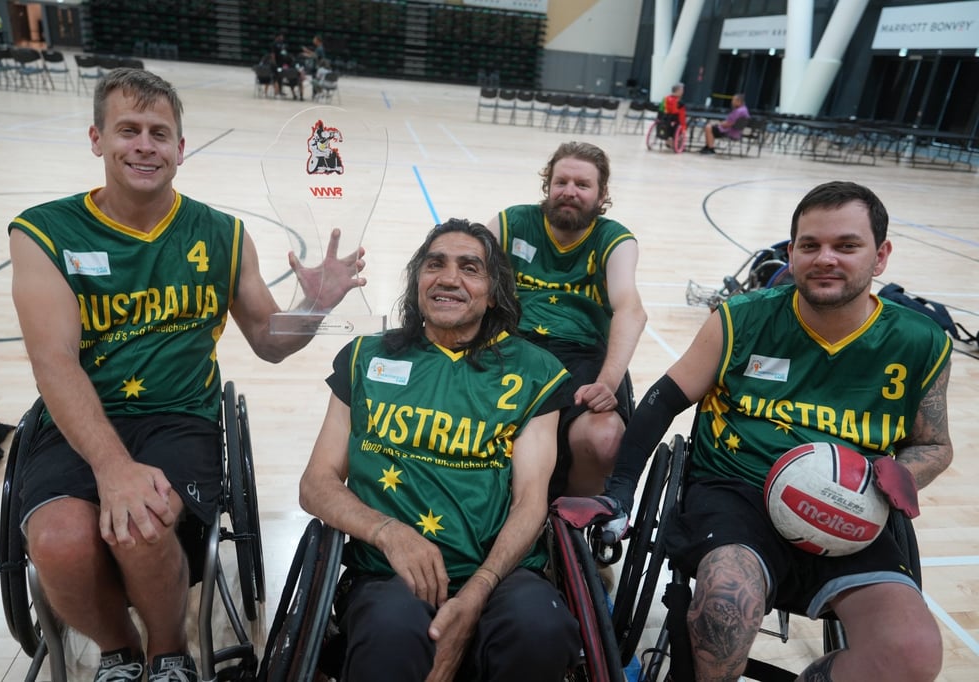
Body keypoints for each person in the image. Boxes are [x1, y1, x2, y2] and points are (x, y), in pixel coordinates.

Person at [8, 68, 366, 682]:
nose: (144, 145)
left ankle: (168, 654)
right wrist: (113, 467)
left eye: (159, 133)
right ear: (97, 138)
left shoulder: (223, 234)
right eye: (128, 130)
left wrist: (314, 306)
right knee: (60, 543)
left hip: (181, 416)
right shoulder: (44, 232)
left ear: (181, 147)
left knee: (141, 527)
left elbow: (268, 342)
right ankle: (119, 655)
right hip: (80, 412)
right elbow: (54, 362)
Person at [599, 181, 952, 681]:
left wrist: (903, 470)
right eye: (810, 245)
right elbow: (660, 404)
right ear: (792, 253)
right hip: (737, 493)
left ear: (880, 256)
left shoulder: (920, 342)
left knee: (912, 653)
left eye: (846, 246)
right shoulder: (742, 320)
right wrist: (618, 493)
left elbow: (935, 443)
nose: (825, 258)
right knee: (724, 599)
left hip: (852, 506)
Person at [299, 219, 581, 681]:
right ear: (417, 282)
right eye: (435, 265)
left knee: (540, 629)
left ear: (494, 293)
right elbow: (316, 483)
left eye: (470, 268)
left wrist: (479, 590)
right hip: (389, 572)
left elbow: (531, 501)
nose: (449, 278)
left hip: (500, 574)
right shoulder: (366, 358)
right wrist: (390, 532)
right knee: (391, 633)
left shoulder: (535, 371)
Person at [487, 142, 648, 498]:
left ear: (602, 193)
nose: (569, 192)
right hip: (512, 348)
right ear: (548, 185)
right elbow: (468, 275)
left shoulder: (614, 238)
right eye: (561, 182)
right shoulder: (511, 223)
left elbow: (631, 309)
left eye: (582, 185)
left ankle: (571, 524)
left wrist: (607, 382)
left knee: (605, 439)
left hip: (583, 354)